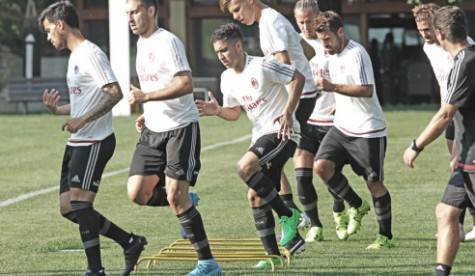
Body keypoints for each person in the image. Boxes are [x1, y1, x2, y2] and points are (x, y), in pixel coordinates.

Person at [39, 2, 147, 276]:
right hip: (78, 142)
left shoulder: (90, 54)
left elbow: (114, 92)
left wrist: (83, 120)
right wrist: (59, 110)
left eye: (49, 30)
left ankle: (95, 270)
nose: (48, 37)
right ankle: (129, 242)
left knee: (80, 204)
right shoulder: (75, 57)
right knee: (68, 208)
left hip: (95, 141)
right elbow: (84, 103)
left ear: (61, 25)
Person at [196, 23, 305, 269]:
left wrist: (288, 112)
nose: (221, 56)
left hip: (283, 132)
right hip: (261, 136)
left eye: (224, 49)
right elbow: (235, 113)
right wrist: (217, 111)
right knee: (255, 196)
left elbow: (298, 77)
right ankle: (274, 256)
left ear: (238, 45)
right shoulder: (225, 78)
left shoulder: (264, 65)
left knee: (244, 167)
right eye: (217, 52)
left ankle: (289, 215)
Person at [125, 1, 221, 275]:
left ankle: (207, 264)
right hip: (153, 129)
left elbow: (185, 83)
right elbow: (156, 85)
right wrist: (147, 110)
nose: (130, 18)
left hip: (180, 128)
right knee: (137, 193)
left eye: (135, 12)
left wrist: (146, 97)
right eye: (128, 14)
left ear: (151, 10)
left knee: (174, 196)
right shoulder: (141, 45)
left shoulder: (168, 41)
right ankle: (186, 198)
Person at [218, 0, 318, 221]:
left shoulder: (269, 22)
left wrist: (286, 109)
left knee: (263, 164)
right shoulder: (273, 19)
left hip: (299, 96)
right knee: (268, 161)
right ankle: (292, 214)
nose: (236, 17)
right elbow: (309, 50)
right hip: (304, 94)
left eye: (237, 9)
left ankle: (292, 215)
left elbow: (285, 67)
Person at [403, 6, 475, 276]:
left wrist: (416, 145)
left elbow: (446, 113)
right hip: (465, 152)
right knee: (446, 212)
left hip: (474, 156)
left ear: (441, 33)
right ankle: (441, 272)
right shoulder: (463, 59)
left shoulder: (466, 61)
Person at [314, 11, 394, 249]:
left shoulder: (357, 54)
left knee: (374, 183)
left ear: (340, 32)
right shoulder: (331, 55)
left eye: (327, 39)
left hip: (368, 130)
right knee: (321, 167)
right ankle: (356, 204)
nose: (324, 45)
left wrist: (332, 87)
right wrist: (337, 106)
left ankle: (385, 237)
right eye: (321, 40)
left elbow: (366, 89)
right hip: (342, 127)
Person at [293, 0, 349, 242]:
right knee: (302, 173)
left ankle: (339, 208)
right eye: (301, 22)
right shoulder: (292, 43)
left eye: (309, 21)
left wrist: (342, 100)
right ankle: (315, 224)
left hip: (332, 121)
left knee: (328, 173)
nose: (306, 26)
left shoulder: (329, 42)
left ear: (318, 17)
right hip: (305, 119)